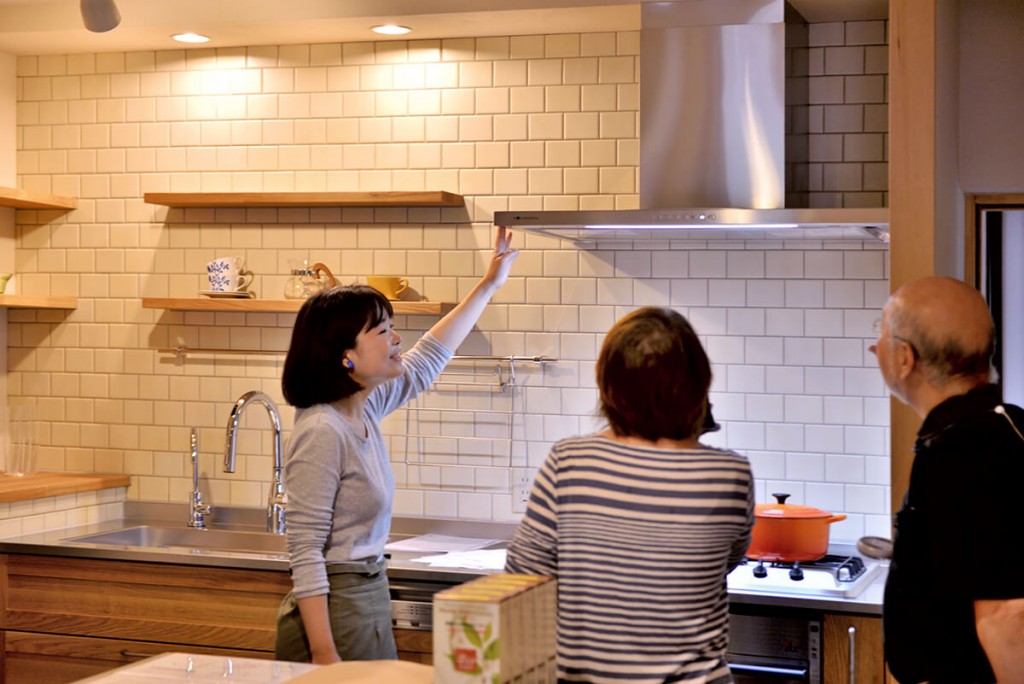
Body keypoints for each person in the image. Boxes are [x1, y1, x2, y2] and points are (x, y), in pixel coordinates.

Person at [274, 227, 518, 664]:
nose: (396, 338)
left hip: (366, 596)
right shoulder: (323, 430)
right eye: (383, 330)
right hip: (335, 611)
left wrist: (488, 286)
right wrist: (326, 656)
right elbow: (306, 551)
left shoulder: (361, 409)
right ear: (345, 355)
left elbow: (429, 358)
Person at [505, 306, 754, 684]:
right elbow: (724, 559)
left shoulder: (569, 461)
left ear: (607, 382)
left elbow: (523, 575)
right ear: (699, 384)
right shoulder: (731, 475)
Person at [870, 276, 1024, 684]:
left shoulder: (961, 455)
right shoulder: (1006, 426)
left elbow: (1007, 613)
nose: (874, 347)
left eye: (881, 334)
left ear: (905, 357)